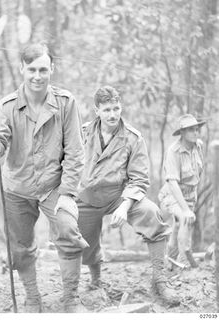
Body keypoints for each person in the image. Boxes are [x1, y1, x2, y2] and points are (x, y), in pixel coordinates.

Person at [0, 43, 88, 313]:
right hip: (17, 188)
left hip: (54, 187)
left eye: (42, 69)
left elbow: (75, 152)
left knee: (68, 231)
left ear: (52, 69)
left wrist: (67, 194)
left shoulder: (65, 103)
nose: (37, 76)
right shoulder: (6, 106)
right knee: (20, 246)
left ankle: (71, 298)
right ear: (21, 70)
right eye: (31, 70)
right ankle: (32, 297)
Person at [77, 86, 179, 306]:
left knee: (151, 214)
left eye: (116, 108)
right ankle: (95, 279)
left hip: (119, 195)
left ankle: (159, 280)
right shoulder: (82, 132)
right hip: (86, 195)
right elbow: (66, 163)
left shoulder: (133, 138)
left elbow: (139, 178)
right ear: (97, 111)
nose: (113, 114)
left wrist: (124, 206)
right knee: (83, 240)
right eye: (107, 110)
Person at [158, 114, 205, 268]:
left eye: (196, 129)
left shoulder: (199, 146)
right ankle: (184, 259)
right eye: (190, 130)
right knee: (184, 219)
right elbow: (172, 183)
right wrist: (185, 209)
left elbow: (198, 173)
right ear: (182, 133)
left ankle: (169, 264)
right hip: (172, 194)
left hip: (190, 196)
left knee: (179, 226)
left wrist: (190, 201)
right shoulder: (174, 151)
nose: (195, 132)